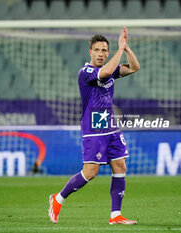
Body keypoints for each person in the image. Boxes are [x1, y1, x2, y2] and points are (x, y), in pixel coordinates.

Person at [48, 26, 140, 225]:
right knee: (91, 172)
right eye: (97, 50)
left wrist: (125, 48)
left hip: (111, 125)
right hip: (94, 127)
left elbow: (134, 67)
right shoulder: (86, 72)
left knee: (120, 165)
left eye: (104, 50)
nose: (101, 54)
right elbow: (106, 72)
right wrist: (119, 50)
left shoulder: (111, 68)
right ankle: (58, 198)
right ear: (90, 52)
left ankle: (115, 214)